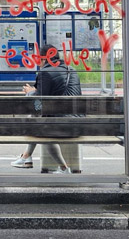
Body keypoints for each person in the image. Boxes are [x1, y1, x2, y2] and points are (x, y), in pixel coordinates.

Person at [11, 44, 81, 174]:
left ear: (44, 59)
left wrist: (30, 92)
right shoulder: (72, 70)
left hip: (63, 125)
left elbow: (38, 105)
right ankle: (26, 157)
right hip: (79, 124)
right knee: (38, 120)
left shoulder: (45, 73)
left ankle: (62, 168)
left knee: (38, 125)